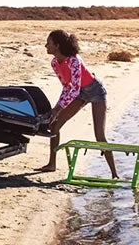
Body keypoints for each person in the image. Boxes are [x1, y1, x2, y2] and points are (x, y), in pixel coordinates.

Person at [37, 29, 118, 179]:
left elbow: (74, 90)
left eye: (48, 43)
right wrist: (56, 109)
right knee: (55, 126)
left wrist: (58, 108)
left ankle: (114, 174)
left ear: (57, 45)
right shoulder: (54, 63)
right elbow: (67, 87)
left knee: (99, 136)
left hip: (95, 91)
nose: (45, 46)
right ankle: (52, 164)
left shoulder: (74, 60)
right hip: (80, 93)